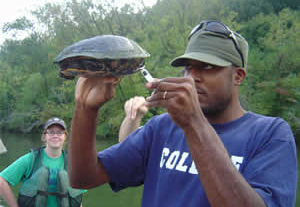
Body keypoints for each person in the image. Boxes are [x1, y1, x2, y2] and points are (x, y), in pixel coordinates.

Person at [68, 20, 297, 207]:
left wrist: (193, 124)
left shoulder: (271, 134)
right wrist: (86, 110)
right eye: (188, 67)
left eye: (208, 67)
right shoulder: (161, 127)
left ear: (238, 76)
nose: (192, 77)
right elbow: (83, 178)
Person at [0, 117, 86, 207]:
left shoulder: (73, 163)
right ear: (45, 136)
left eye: (59, 132)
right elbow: (1, 181)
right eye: (51, 132)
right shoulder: (31, 159)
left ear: (65, 136)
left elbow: (78, 197)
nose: (55, 135)